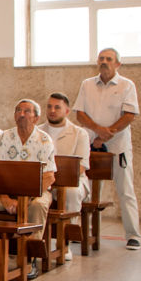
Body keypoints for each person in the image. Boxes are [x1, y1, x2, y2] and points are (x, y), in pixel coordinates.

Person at [73, 48, 141, 250]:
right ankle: (82, 231)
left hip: (117, 147)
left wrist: (107, 133)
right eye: (101, 59)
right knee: (86, 191)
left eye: (109, 59)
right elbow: (80, 114)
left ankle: (133, 235)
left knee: (126, 191)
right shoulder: (87, 84)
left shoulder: (126, 85)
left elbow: (129, 115)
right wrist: (97, 131)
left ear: (117, 64)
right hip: (91, 146)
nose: (104, 62)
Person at [0, 99, 57, 280]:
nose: (21, 114)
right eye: (18, 110)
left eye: (27, 111)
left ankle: (30, 258)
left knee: (39, 206)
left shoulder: (44, 140)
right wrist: (5, 199)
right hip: (6, 191)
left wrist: (27, 198)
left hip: (36, 192)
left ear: (36, 118)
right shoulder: (5, 138)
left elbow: (49, 176)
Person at [40, 91, 90, 260]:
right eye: (49, 107)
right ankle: (31, 243)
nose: (52, 110)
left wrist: (57, 179)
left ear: (67, 111)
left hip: (74, 182)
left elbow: (81, 167)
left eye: (57, 107)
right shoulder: (38, 131)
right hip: (44, 181)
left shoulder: (79, 133)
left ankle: (65, 243)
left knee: (71, 193)